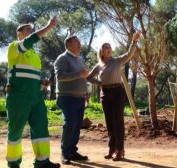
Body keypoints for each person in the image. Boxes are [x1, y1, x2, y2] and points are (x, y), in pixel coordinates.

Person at [5, 16, 60, 168]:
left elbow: (29, 75)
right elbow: (30, 41)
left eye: (31, 30)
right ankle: (13, 163)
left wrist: (41, 83)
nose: (31, 32)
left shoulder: (35, 56)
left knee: (41, 127)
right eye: (27, 30)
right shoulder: (14, 47)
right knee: (15, 131)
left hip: (35, 97)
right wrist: (48, 27)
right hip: (18, 97)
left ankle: (42, 162)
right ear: (19, 34)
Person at [87, 31, 140, 161]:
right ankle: (112, 148)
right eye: (106, 47)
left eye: (110, 46)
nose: (108, 48)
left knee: (118, 121)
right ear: (101, 51)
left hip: (118, 93)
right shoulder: (99, 65)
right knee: (109, 123)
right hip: (105, 94)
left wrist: (134, 41)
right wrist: (99, 83)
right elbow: (89, 77)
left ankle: (120, 150)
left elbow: (129, 54)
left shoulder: (117, 61)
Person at [54, 35, 89, 165]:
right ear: (68, 45)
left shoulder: (79, 59)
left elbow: (83, 78)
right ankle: (64, 153)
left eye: (79, 41)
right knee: (70, 123)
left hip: (80, 98)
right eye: (76, 42)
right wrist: (78, 74)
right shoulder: (62, 58)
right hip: (66, 97)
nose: (80, 44)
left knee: (76, 126)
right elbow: (60, 76)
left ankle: (72, 151)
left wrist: (86, 93)